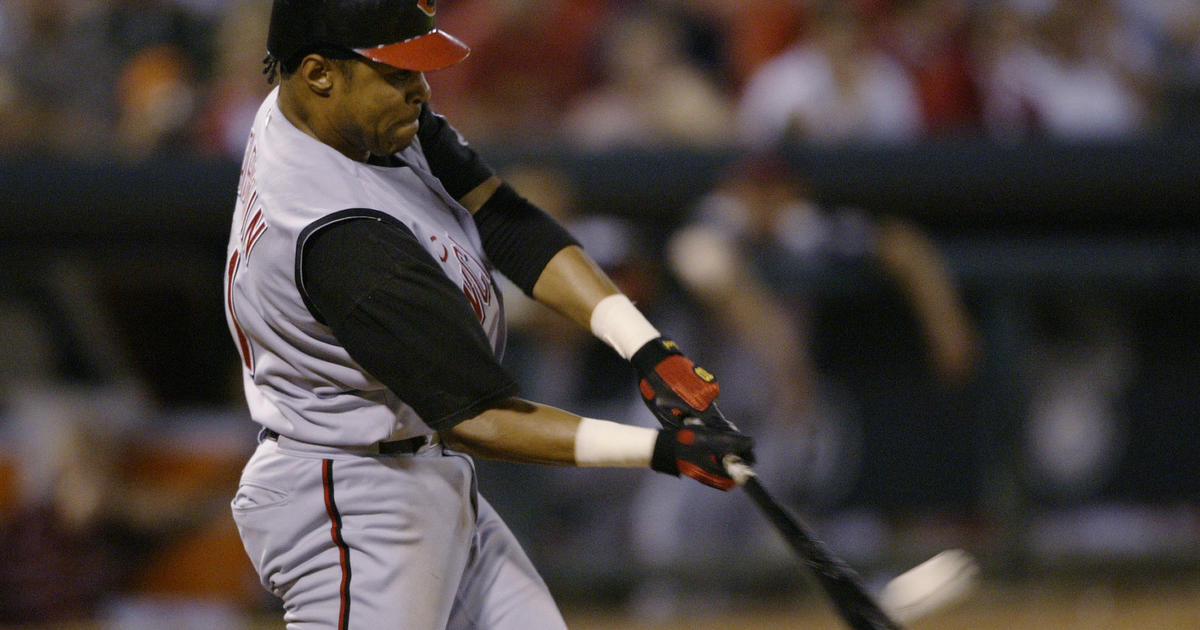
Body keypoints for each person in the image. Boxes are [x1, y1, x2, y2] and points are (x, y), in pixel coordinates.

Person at [221, 2, 755, 629]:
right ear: (318, 73)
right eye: (396, 73)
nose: (420, 90)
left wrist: (645, 347)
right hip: (350, 507)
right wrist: (662, 449)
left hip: (415, 469)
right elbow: (478, 418)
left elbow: (504, 220)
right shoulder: (338, 233)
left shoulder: (344, 117)